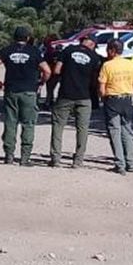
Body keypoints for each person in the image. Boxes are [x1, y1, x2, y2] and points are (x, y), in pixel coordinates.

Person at [0, 26, 50, 165]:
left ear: (14, 37)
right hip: (29, 91)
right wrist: (41, 82)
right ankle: (25, 157)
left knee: (11, 122)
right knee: (28, 124)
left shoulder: (7, 50)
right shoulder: (34, 51)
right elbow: (47, 70)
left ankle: (9, 155)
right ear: (28, 38)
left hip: (11, 90)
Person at [49, 35, 100, 168]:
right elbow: (95, 81)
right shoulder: (95, 57)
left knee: (58, 126)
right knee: (82, 129)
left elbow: (56, 70)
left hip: (65, 94)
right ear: (92, 44)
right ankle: (78, 160)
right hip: (84, 96)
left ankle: (56, 159)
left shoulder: (67, 50)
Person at [98, 38, 133, 175]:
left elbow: (102, 87)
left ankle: (120, 163)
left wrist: (103, 98)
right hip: (127, 100)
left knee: (114, 132)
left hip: (112, 100)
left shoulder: (107, 66)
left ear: (112, 51)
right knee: (127, 131)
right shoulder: (130, 64)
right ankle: (130, 162)